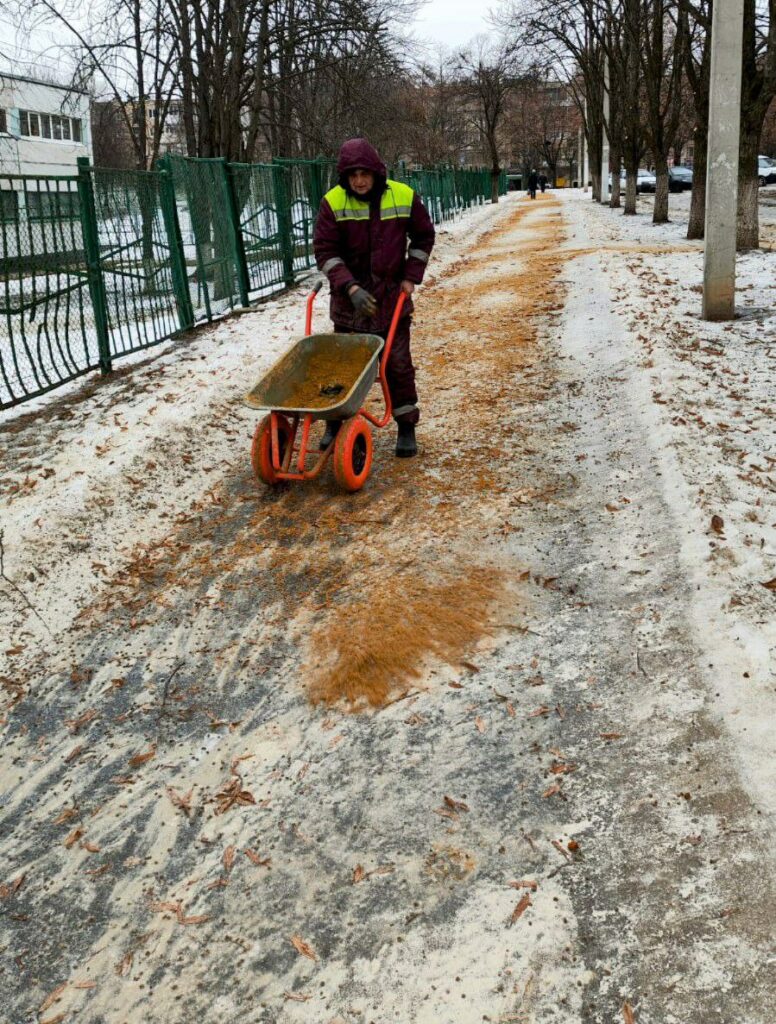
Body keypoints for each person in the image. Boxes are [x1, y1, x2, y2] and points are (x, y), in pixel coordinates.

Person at [313, 138, 435, 458]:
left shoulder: (403, 196)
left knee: (396, 365)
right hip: (349, 306)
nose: (359, 180)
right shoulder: (333, 202)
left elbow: (423, 236)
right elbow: (326, 252)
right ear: (344, 176)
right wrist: (350, 288)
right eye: (352, 174)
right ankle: (335, 423)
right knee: (344, 369)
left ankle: (406, 426)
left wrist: (410, 276)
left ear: (376, 171)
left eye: (364, 173)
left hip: (392, 299)